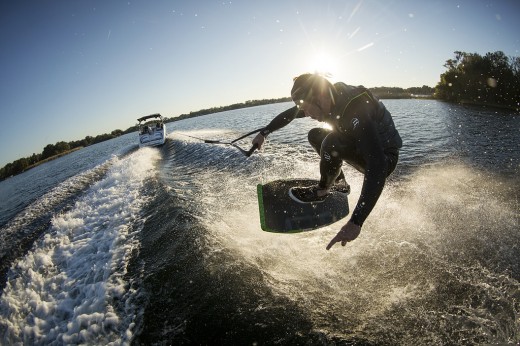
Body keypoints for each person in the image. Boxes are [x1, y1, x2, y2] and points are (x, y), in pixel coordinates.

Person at [251, 73, 402, 250]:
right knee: (315, 135)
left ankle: (322, 190)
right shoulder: (327, 97)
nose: (305, 114)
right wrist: (264, 133)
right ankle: (340, 183)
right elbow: (290, 114)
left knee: (330, 143)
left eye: (306, 108)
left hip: (383, 158)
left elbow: (378, 166)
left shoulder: (356, 109)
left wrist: (356, 221)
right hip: (359, 143)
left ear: (320, 97)